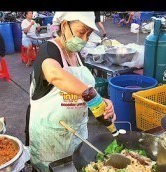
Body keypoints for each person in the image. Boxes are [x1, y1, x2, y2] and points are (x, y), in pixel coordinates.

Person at [27, 12, 117, 171]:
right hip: (50, 142)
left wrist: (103, 102)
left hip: (77, 138)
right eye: (81, 32)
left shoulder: (77, 56)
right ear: (64, 26)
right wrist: (94, 98)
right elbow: (54, 74)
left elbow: (82, 91)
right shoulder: (49, 50)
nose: (84, 39)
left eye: (88, 34)